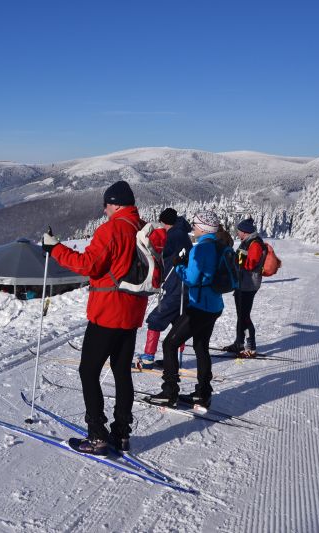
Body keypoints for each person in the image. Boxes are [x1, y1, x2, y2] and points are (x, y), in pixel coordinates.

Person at [43, 180, 148, 454]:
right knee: (122, 372)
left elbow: (87, 264)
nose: (104, 211)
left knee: (88, 371)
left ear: (115, 204)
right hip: (133, 310)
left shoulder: (111, 230)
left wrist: (54, 249)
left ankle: (97, 436)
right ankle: (122, 435)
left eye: (106, 205)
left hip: (107, 312)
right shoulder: (142, 228)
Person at [146, 211, 224, 409]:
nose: (194, 228)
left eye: (196, 225)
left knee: (170, 344)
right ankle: (203, 394)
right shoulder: (219, 246)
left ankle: (170, 392)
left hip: (199, 306)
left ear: (203, 228)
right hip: (215, 305)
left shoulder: (201, 249)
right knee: (201, 347)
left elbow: (190, 278)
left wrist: (179, 266)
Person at [137, 208, 180, 367]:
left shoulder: (164, 236)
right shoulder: (182, 235)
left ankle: (148, 356)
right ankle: (175, 358)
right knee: (178, 322)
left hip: (173, 287)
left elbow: (147, 247)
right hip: (182, 288)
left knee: (155, 320)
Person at [221, 217, 265, 356]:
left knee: (244, 316)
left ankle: (250, 345)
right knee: (241, 315)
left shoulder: (255, 244)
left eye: (239, 231)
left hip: (249, 284)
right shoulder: (247, 242)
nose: (237, 234)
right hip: (242, 283)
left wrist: (235, 262)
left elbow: (250, 265)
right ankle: (239, 343)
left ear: (245, 232)